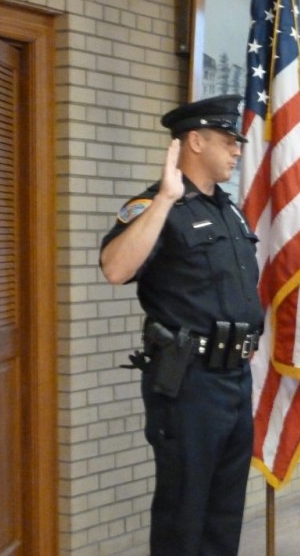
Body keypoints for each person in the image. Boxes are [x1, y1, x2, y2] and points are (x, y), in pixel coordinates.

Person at [100, 94, 264, 556]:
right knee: (183, 511)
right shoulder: (155, 204)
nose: (237, 150)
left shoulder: (229, 211)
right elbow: (115, 269)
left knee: (224, 511)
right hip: (188, 381)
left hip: (234, 379)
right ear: (195, 140)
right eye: (229, 141)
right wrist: (165, 200)